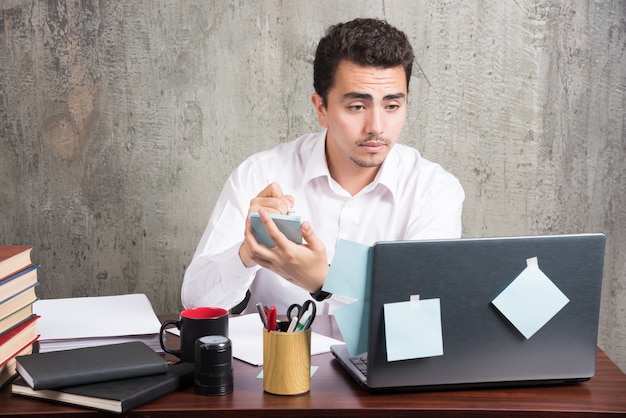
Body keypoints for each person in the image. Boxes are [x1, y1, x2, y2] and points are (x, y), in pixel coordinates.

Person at [182, 18, 464, 315]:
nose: (377, 126)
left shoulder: (434, 190)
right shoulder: (260, 175)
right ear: (321, 108)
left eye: (392, 106)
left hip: (383, 363)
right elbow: (195, 302)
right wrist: (245, 254)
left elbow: (421, 306)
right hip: (273, 362)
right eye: (357, 106)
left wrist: (325, 280)